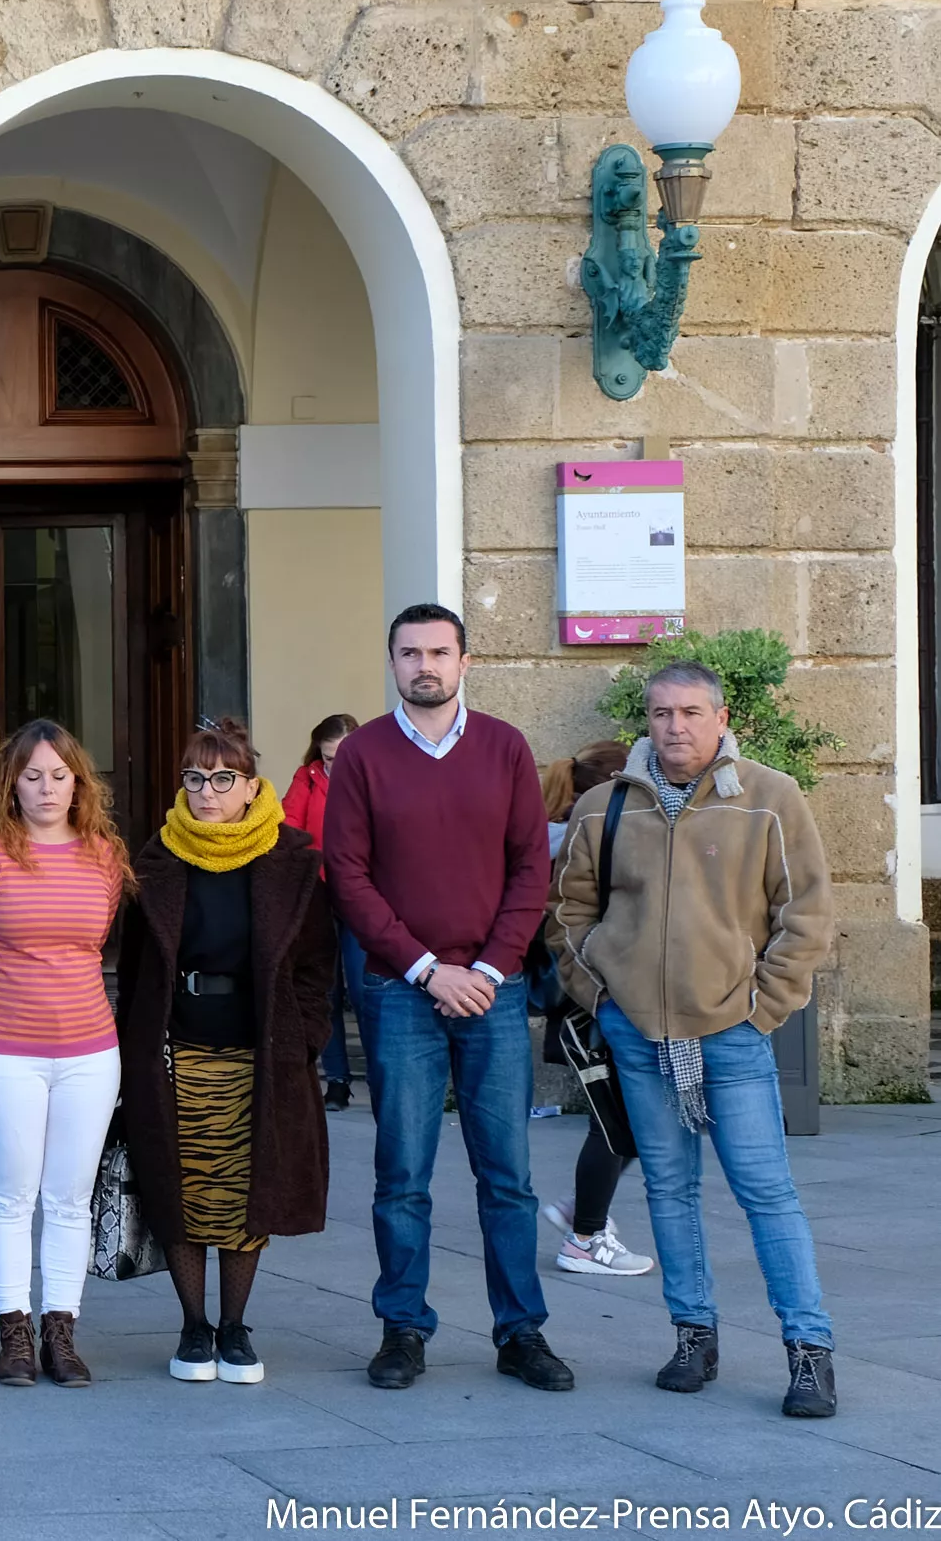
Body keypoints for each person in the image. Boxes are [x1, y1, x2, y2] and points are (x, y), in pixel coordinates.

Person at [549, 663, 840, 1419]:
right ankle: (692, 1337)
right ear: (645, 721)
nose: (674, 727)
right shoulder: (603, 807)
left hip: (731, 1034)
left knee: (766, 1193)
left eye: (689, 712)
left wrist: (762, 1008)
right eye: (660, 714)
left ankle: (809, 1351)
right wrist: (602, 997)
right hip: (638, 1033)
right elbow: (568, 912)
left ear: (720, 717)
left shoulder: (770, 797)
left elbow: (805, 915)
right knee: (668, 1190)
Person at [324, 603, 571, 1394]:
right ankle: (402, 1328)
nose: (423, 665)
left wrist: (489, 970)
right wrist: (428, 970)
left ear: (464, 662)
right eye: (409, 653)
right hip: (400, 992)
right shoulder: (362, 755)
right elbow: (348, 878)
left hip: (493, 991)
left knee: (507, 1175)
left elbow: (530, 869)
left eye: (438, 652)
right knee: (401, 1174)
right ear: (391, 662)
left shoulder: (504, 748)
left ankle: (520, 1332)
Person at [120, 718, 338, 1388]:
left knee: (247, 1194)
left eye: (222, 780)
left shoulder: (292, 860)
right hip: (177, 1053)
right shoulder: (157, 858)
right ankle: (193, 1326)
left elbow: (316, 968)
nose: (206, 792)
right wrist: (136, 1048)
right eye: (195, 778)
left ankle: (235, 1325)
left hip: (260, 1058)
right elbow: (134, 970)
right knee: (182, 1193)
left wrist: (303, 1041)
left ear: (250, 786)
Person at [0, 720, 132, 1386]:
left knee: (69, 1199)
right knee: (11, 1196)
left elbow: (95, 942)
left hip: (89, 1051)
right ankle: (14, 1332)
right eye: (32, 776)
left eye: (59, 776)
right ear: (12, 785)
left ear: (79, 783)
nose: (47, 788)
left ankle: (61, 1331)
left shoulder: (103, 856)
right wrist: (17, 995)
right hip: (6, 1053)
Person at [532, 741, 654, 1280]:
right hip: (597, 1002)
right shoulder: (592, 834)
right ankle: (584, 1235)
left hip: (594, 1000)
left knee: (626, 1119)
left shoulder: (567, 831)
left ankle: (581, 1214)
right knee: (616, 1122)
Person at [282, 712, 363, 1111]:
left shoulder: (372, 777)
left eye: (342, 756)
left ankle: (386, 1077)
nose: (335, 764)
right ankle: (338, 1082)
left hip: (363, 897)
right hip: (319, 895)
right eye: (329, 757)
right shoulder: (308, 777)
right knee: (325, 992)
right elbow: (288, 828)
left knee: (366, 992)